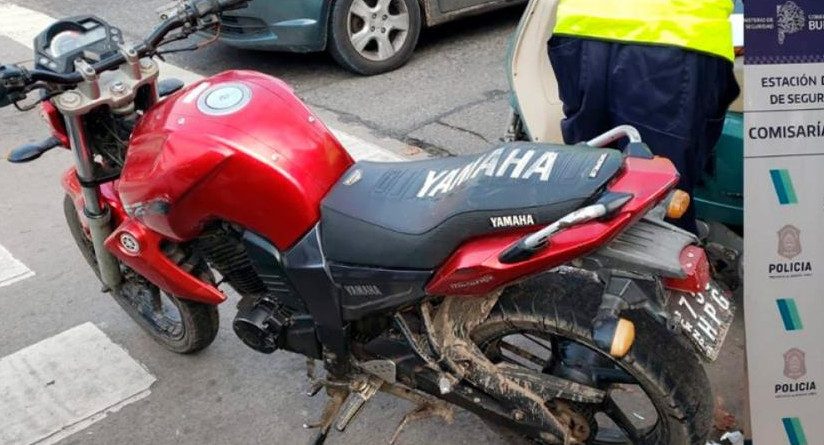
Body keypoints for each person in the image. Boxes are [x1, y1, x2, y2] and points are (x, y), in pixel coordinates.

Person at [549, 0, 740, 234]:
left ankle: (587, 264)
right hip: (675, 33)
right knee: (659, 192)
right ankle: (659, 266)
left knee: (589, 181)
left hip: (581, 27)